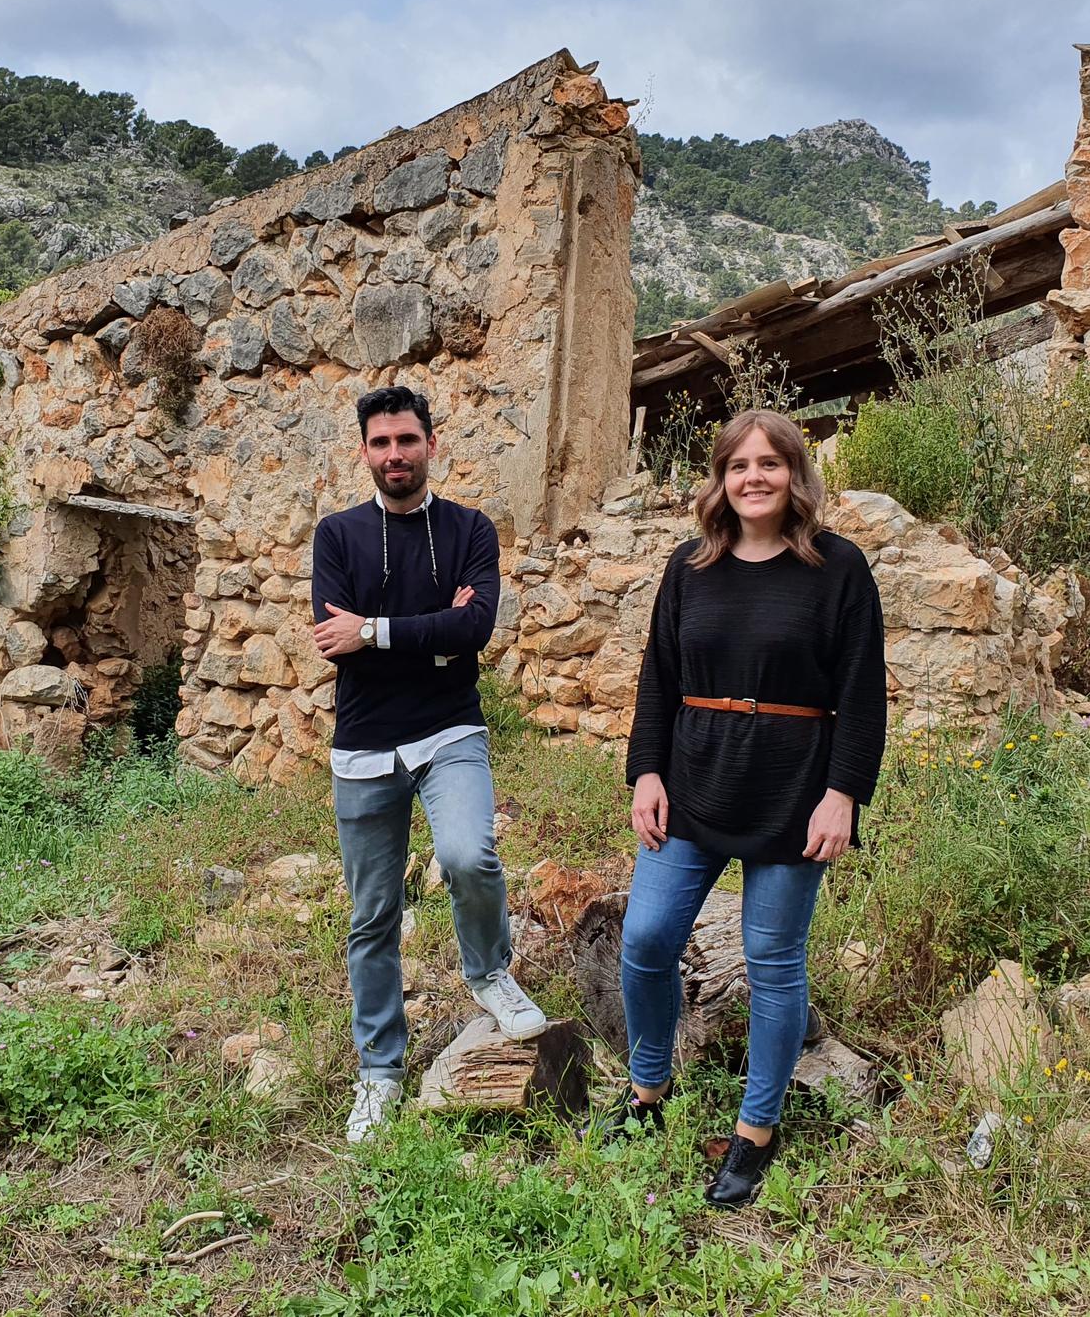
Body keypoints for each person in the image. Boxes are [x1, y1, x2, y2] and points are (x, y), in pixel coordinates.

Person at [599, 407, 886, 1208]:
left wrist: (844, 797)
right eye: (738, 465)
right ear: (720, 480)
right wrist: (645, 774)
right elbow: (657, 678)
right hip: (693, 780)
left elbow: (862, 699)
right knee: (647, 938)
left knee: (772, 963)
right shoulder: (689, 567)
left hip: (795, 791)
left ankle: (757, 1130)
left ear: (796, 475)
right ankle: (646, 1092)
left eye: (770, 463)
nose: (753, 478)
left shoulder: (839, 569)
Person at [312, 384, 549, 1144]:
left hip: (450, 730)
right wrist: (429, 631)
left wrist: (376, 632)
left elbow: (474, 628)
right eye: (380, 443)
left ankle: (489, 973)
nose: (394, 455)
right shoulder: (337, 536)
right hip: (363, 745)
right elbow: (331, 639)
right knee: (372, 916)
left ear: (430, 445)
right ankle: (379, 1071)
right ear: (364, 453)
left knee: (468, 855)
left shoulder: (471, 529)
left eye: (406, 440)